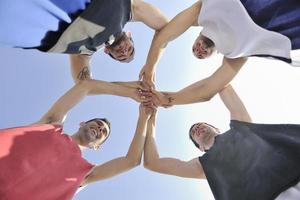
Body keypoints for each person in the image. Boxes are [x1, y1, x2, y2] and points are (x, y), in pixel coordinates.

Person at [0, 79, 151, 200]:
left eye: (103, 132)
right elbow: (85, 85)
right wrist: (129, 92)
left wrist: (144, 117)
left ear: (97, 147)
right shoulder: (50, 124)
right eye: (98, 124)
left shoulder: (85, 174)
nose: (99, 129)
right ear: (82, 123)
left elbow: (132, 160)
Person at [143, 85, 300, 200]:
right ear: (202, 148)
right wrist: (151, 115)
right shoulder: (203, 166)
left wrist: (171, 98)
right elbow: (152, 163)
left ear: (216, 128)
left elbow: (222, 85)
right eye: (193, 134)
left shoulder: (241, 127)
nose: (196, 128)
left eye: (199, 125)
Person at [139, 0, 300, 89]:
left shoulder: (200, 14)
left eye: (194, 48)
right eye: (200, 55)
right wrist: (166, 100)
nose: (199, 50)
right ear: (214, 54)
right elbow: (208, 89)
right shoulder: (235, 55)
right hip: (287, 27)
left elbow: (165, 35)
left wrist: (150, 67)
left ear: (198, 34)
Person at [0, 0, 168, 82]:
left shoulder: (85, 52)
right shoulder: (130, 10)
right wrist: (150, 65)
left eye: (122, 57)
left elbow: (85, 85)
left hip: (30, 24)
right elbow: (165, 27)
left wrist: (128, 89)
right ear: (130, 35)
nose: (124, 52)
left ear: (107, 51)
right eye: (130, 50)